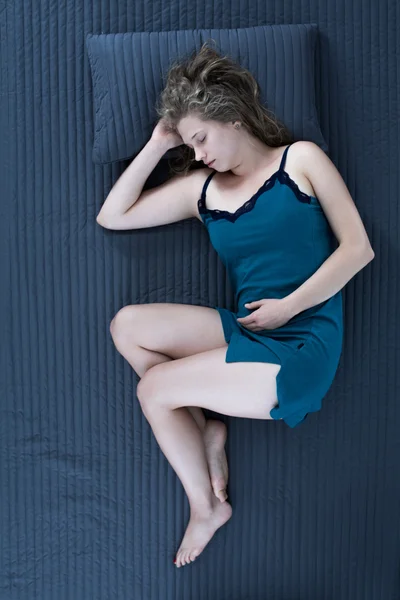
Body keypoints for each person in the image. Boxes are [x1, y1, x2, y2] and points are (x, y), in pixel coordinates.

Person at [96, 43, 374, 568]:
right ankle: (206, 431)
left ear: (231, 116)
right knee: (127, 325)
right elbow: (113, 216)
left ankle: (206, 507)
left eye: (200, 138)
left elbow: (359, 249)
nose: (197, 153)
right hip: (250, 330)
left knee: (154, 388)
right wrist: (160, 142)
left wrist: (290, 307)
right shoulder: (203, 190)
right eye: (190, 143)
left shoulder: (301, 160)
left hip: (299, 344)